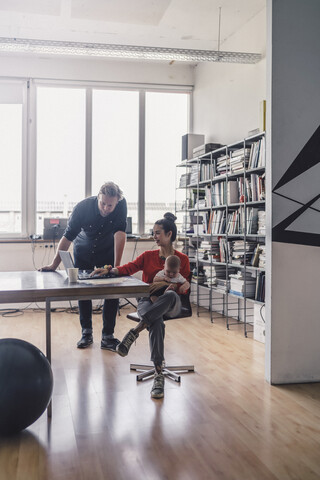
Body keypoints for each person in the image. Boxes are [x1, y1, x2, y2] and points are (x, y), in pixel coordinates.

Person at [93, 212, 190, 399]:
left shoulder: (182, 259)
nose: (154, 236)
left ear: (169, 234)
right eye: (153, 233)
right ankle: (158, 373)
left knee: (169, 295)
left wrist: (180, 287)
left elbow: (185, 288)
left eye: (158, 233)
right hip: (147, 299)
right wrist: (108, 270)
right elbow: (127, 268)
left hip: (171, 302)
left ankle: (135, 330)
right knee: (157, 323)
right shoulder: (148, 256)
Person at [40, 181, 127, 351]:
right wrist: (53, 265)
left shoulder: (121, 205)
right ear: (98, 196)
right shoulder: (82, 208)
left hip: (106, 250)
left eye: (110, 205)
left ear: (117, 201)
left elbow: (120, 234)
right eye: (103, 203)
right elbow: (67, 238)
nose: (106, 208)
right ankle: (86, 333)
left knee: (113, 289)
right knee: (83, 289)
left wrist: (117, 267)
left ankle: (108, 336)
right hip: (83, 249)